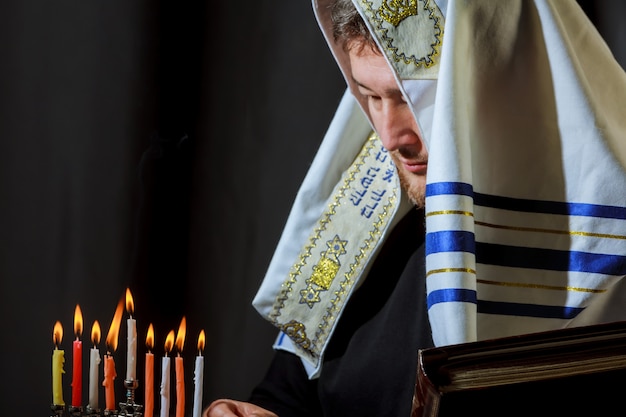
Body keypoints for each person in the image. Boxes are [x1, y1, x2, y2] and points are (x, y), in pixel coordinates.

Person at [206, 0, 626, 415]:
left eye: (414, 97)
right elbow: (288, 395)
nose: (390, 136)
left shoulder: (610, 268)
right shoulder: (367, 231)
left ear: (503, 80)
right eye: (369, 96)